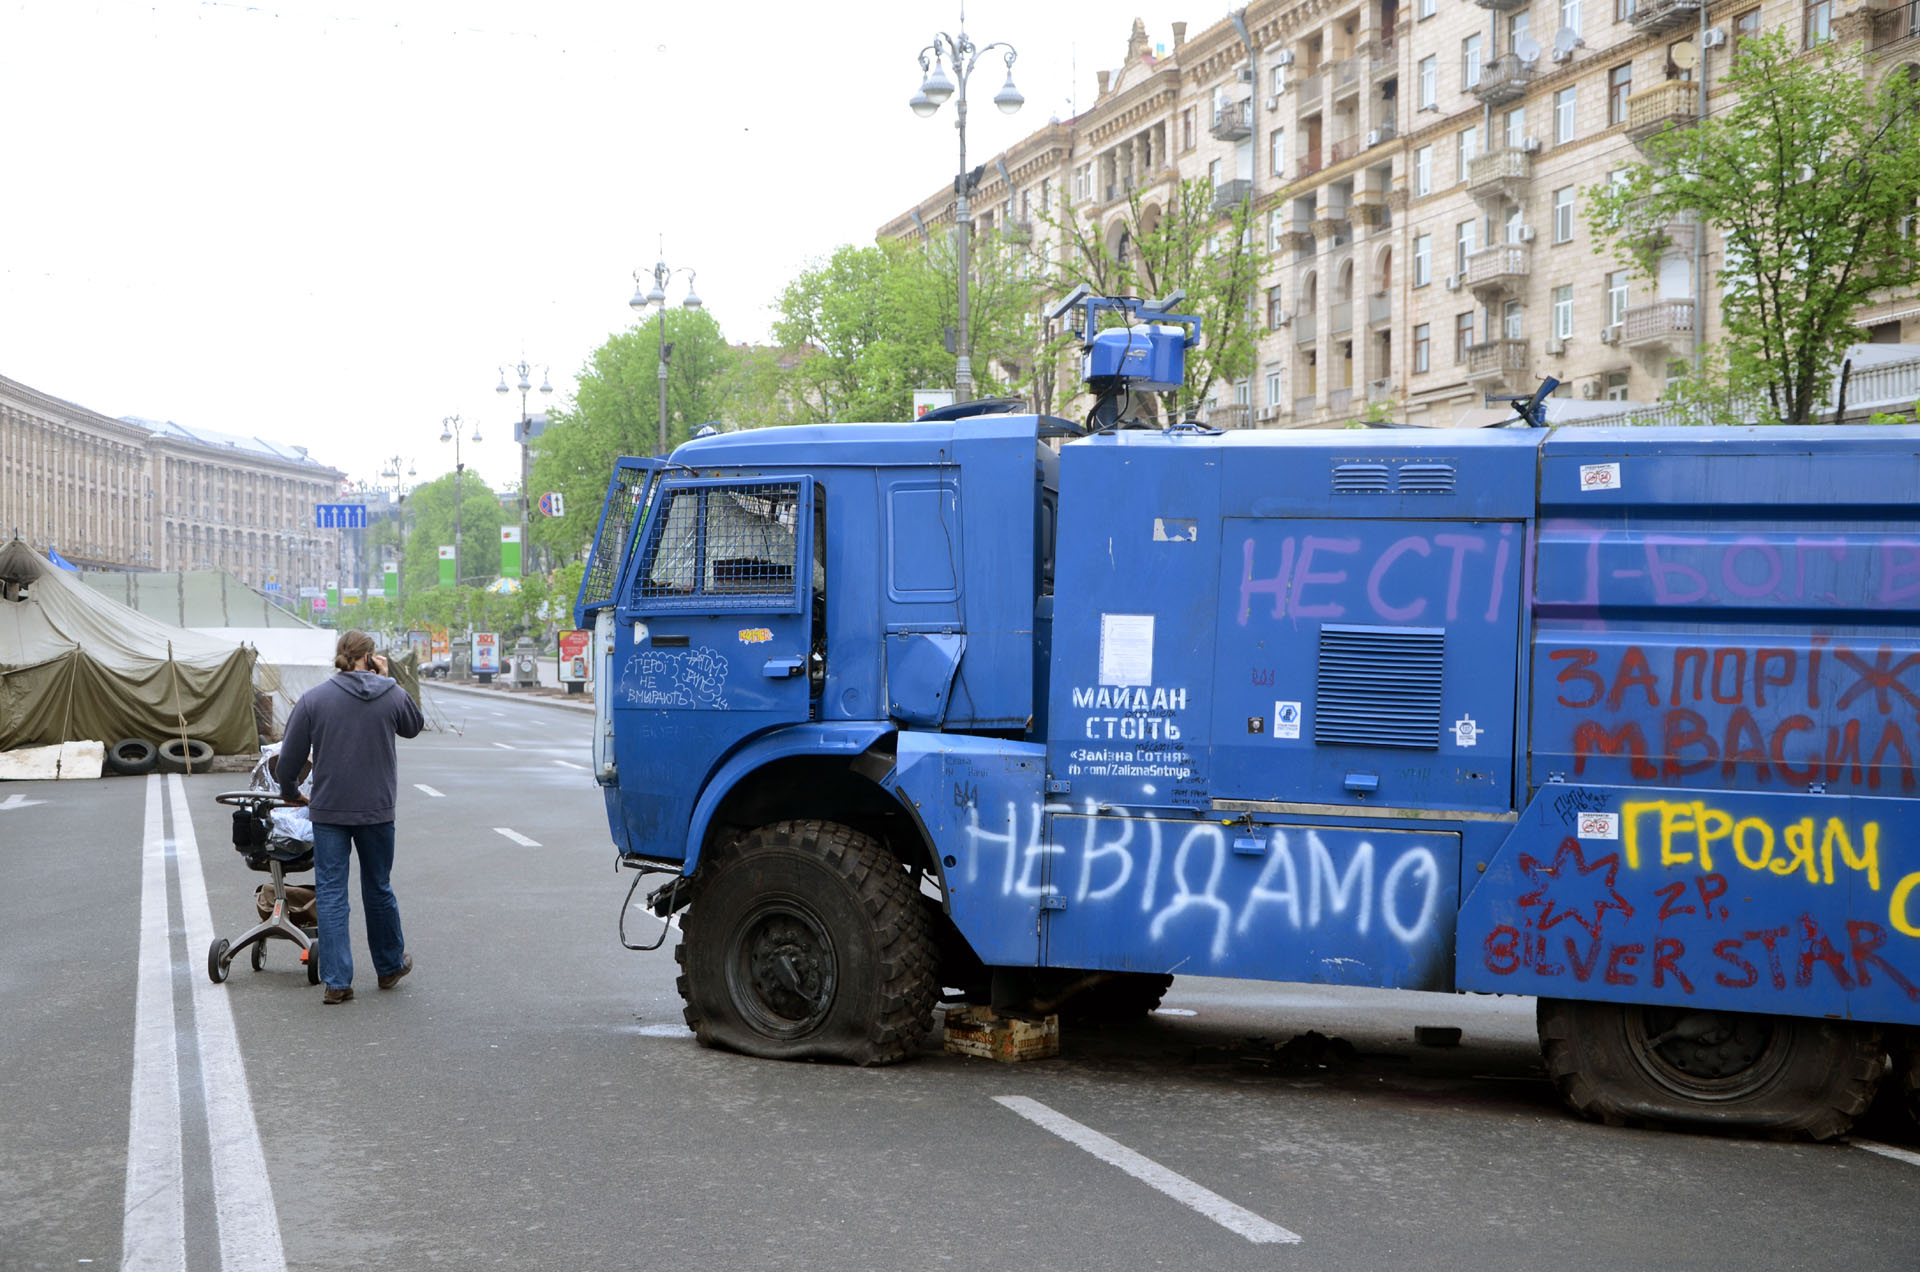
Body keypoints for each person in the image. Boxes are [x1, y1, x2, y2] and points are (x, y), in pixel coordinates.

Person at [278, 629, 425, 1005]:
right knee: (378, 887)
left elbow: (289, 759)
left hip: (329, 810)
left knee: (330, 891)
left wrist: (291, 793)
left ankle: (337, 981)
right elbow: (413, 726)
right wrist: (391, 676)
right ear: (371, 657)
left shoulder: (314, 700)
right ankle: (389, 965)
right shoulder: (390, 693)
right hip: (377, 810)